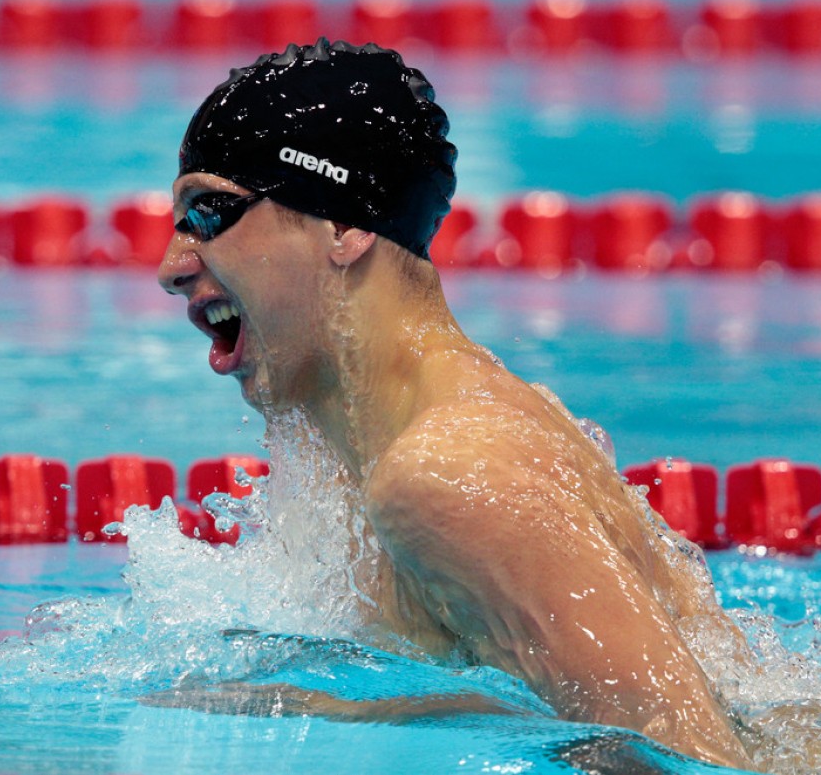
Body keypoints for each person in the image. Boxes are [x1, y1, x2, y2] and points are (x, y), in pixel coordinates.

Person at [156, 38, 752, 770]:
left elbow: (689, 757)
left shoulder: (447, 477)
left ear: (342, 227)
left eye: (209, 212)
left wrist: (344, 713)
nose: (172, 266)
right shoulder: (378, 443)